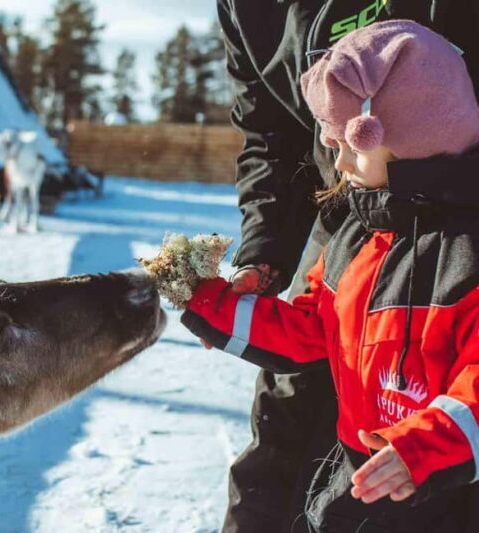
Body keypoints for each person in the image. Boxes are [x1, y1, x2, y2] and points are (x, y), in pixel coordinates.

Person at [184, 20, 479, 532]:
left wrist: (424, 448)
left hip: (440, 489)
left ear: (412, 139)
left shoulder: (466, 256)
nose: (336, 161)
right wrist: (216, 307)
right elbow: (311, 333)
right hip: (357, 477)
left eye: (349, 146)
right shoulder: (355, 237)